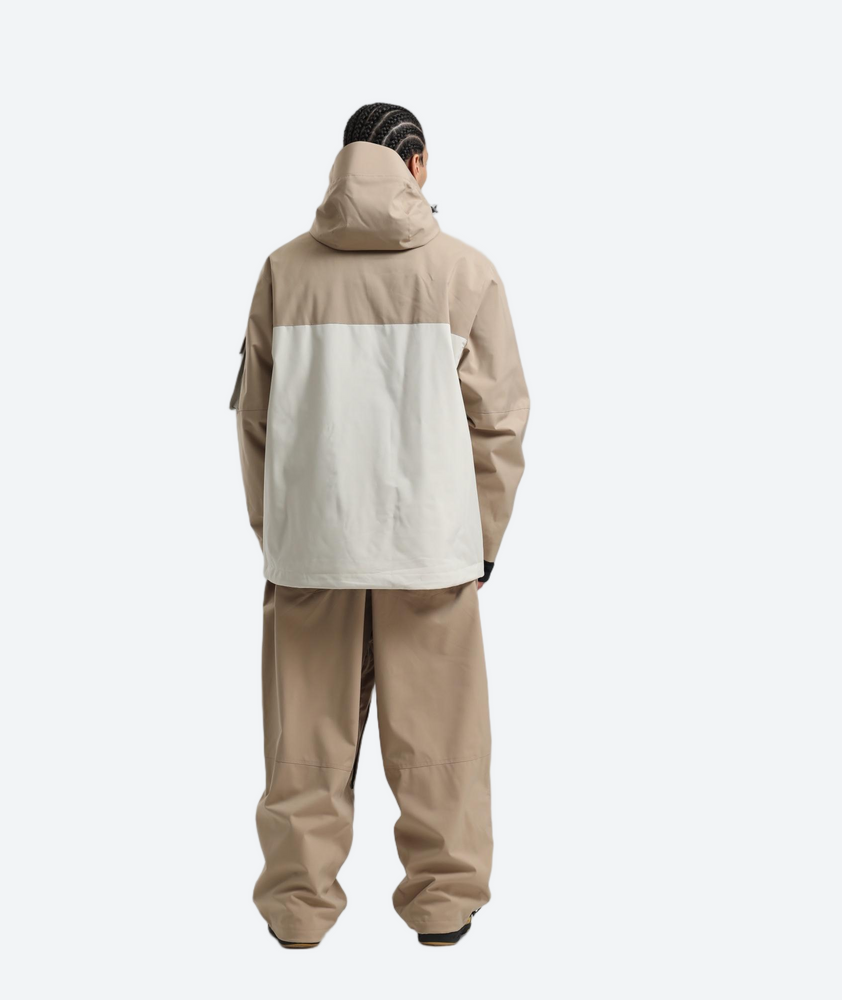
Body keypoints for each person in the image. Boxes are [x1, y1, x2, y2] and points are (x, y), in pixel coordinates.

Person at [232, 103, 529, 948]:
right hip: (431, 550)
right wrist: (481, 543)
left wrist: (277, 532)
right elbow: (500, 423)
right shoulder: (466, 273)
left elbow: (254, 420)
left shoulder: (284, 271)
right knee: (440, 741)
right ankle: (444, 906)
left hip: (311, 551)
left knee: (304, 743)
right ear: (417, 164)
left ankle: (297, 911)